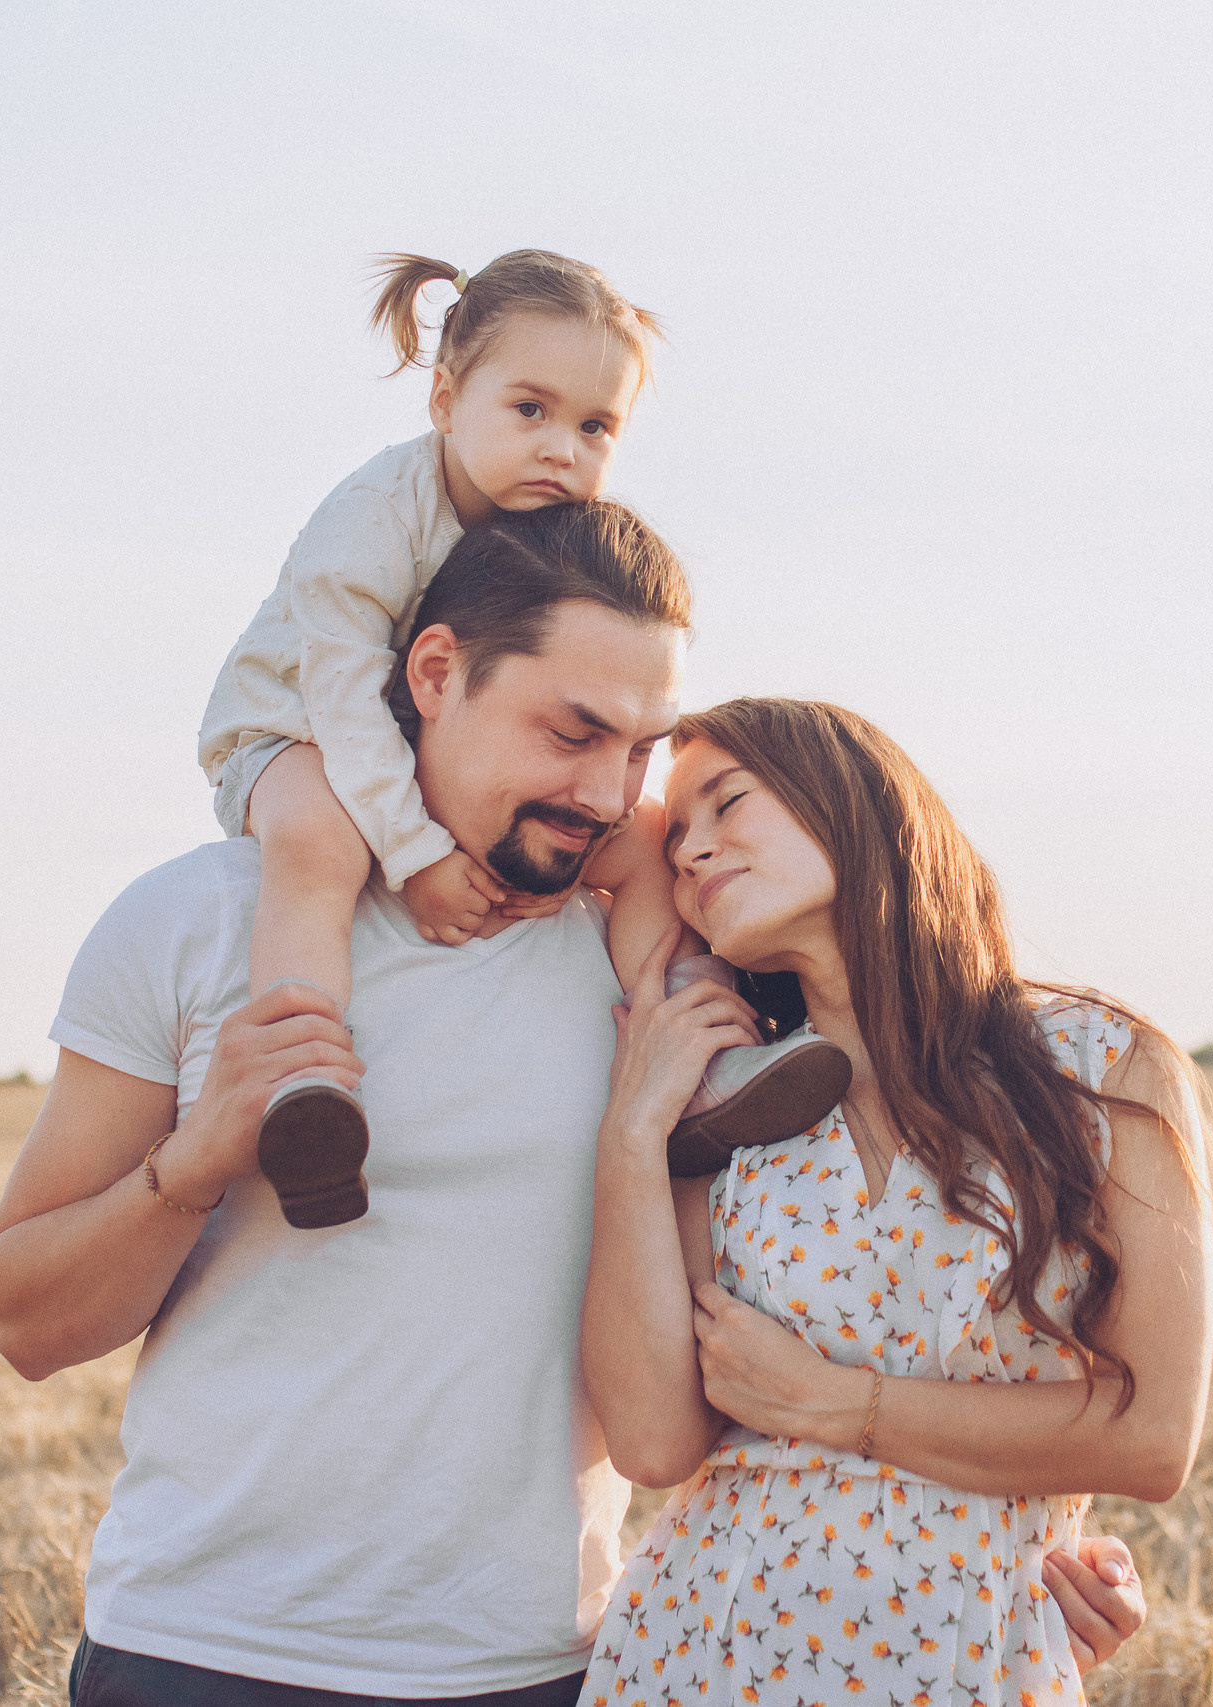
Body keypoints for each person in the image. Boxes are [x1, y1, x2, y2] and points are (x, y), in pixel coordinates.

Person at [0, 508, 1147, 1706]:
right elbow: (28, 1323)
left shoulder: (678, 967)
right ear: (435, 674)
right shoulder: (202, 923)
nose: (608, 794)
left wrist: (1014, 1559)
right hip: (204, 1651)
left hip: (540, 1666)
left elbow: (853, 1286)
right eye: (571, 733)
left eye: (638, 752)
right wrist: (196, 1160)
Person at [580, 698, 1213, 1707]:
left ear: (855, 800)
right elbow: (658, 1444)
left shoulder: (1101, 1068)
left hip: (969, 1657)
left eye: (726, 804)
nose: (693, 852)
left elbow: (1147, 1441)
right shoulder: (736, 1111)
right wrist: (632, 1133)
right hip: (703, 1652)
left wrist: (833, 1404)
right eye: (677, 846)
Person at [195, 249, 843, 1230]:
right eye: (529, 410)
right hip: (293, 728)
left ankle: (701, 1055)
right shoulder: (371, 523)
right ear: (445, 400)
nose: (560, 449)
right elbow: (338, 691)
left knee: (646, 836)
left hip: (416, 733)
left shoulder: (550, 530)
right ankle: (303, 1087)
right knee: (320, 842)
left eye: (595, 426)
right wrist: (416, 853)